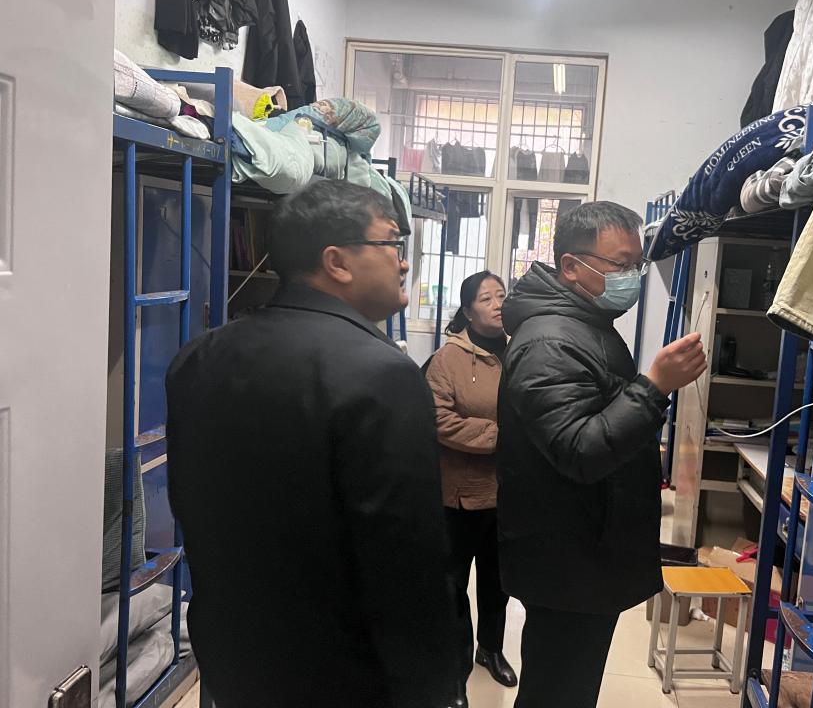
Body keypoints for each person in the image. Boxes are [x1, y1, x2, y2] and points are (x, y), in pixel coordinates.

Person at [165, 180, 457, 708]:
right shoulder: (382, 374)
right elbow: (406, 563)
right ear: (336, 261)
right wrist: (438, 690)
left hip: (234, 656)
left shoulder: (200, 356)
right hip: (345, 674)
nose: (404, 262)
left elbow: (193, 505)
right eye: (393, 243)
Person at [497, 201, 707, 708]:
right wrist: (654, 387)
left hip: (584, 552)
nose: (631, 277)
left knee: (567, 689)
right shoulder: (551, 342)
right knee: (557, 693)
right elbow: (580, 450)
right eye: (620, 264)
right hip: (568, 560)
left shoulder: (586, 325)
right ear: (571, 266)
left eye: (636, 264)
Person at [425, 271, 516, 707]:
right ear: (467, 310)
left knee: (498, 582)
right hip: (458, 495)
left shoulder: (521, 351)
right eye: (486, 298)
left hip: (507, 493)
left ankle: (491, 649)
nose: (497, 304)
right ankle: (455, 673)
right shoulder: (448, 359)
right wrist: (502, 436)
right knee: (454, 588)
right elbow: (438, 419)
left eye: (501, 295)